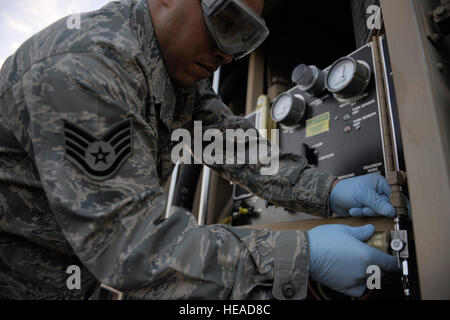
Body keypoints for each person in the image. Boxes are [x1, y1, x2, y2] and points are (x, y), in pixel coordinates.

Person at [0, 0, 399, 300]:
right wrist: (302, 254)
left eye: (245, 37)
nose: (228, 53)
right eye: (225, 22)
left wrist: (328, 190)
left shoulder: (177, 78)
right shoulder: (84, 69)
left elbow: (236, 148)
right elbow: (134, 249)